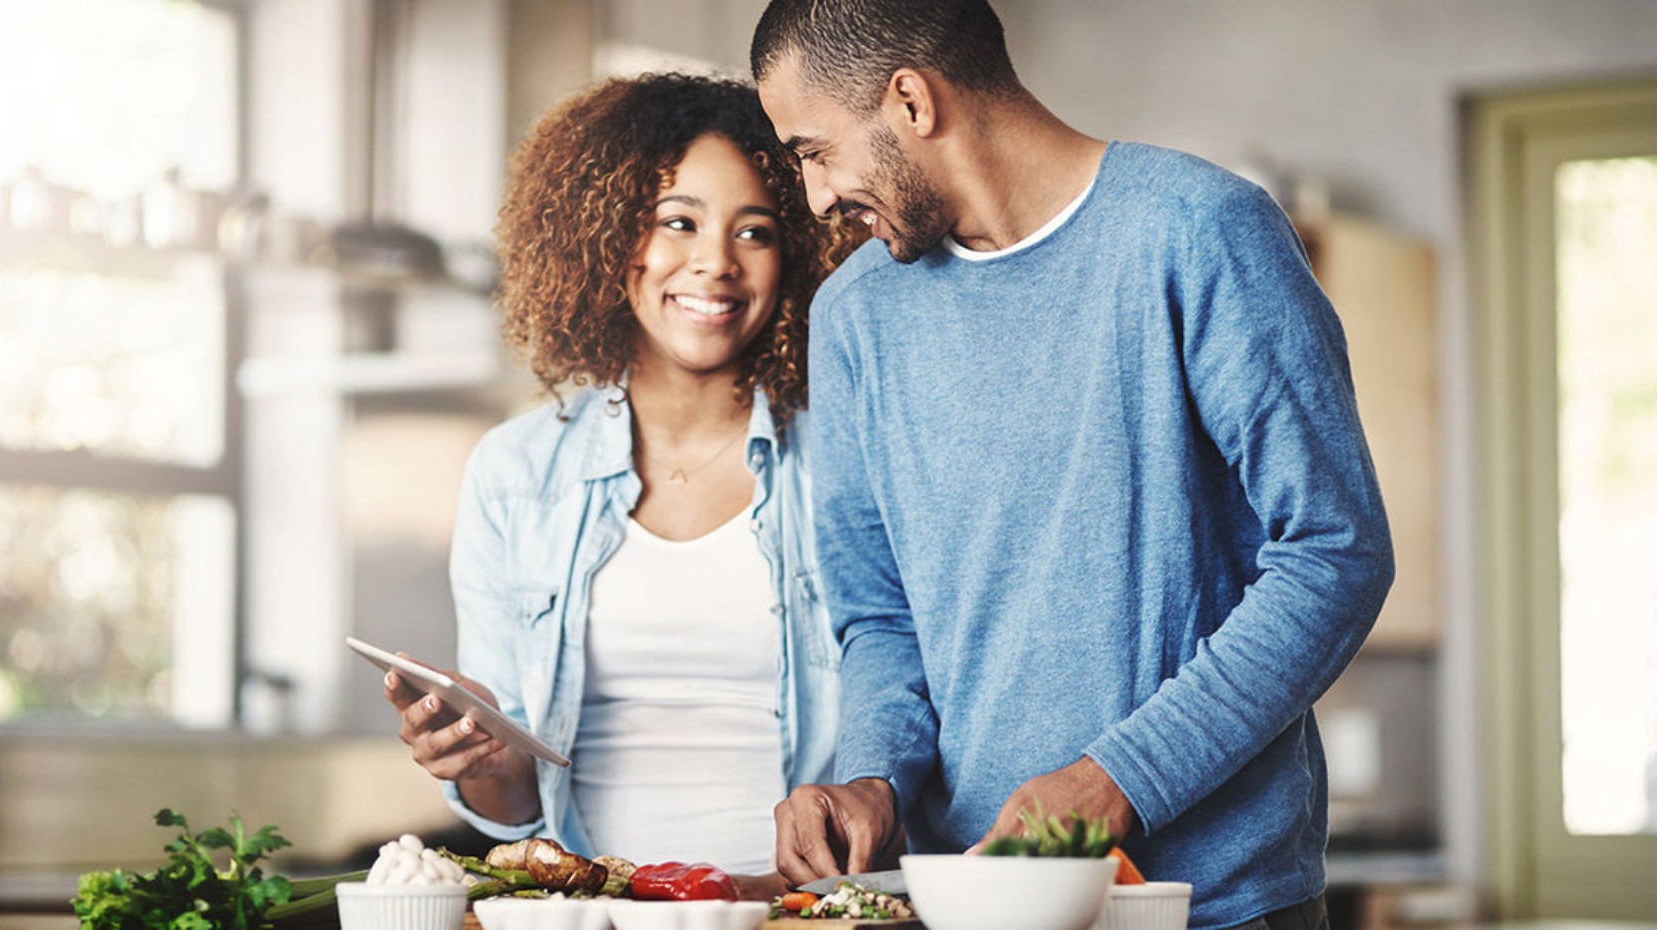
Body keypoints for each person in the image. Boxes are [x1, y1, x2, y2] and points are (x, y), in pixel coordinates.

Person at [749, 2, 1395, 928]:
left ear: (910, 101)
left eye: (814, 151)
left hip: (1208, 904)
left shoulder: (1198, 231)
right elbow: (880, 613)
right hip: (970, 898)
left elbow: (1334, 552)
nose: (814, 198)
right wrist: (872, 779)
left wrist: (1118, 780)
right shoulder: (853, 316)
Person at [381, 72, 859, 894]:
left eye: (755, 232)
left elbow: (907, 722)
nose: (714, 263)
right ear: (608, 240)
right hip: (594, 912)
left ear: (795, 257)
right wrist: (476, 758)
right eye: (678, 222)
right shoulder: (516, 473)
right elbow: (515, 813)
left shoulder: (849, 456)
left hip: (799, 913)